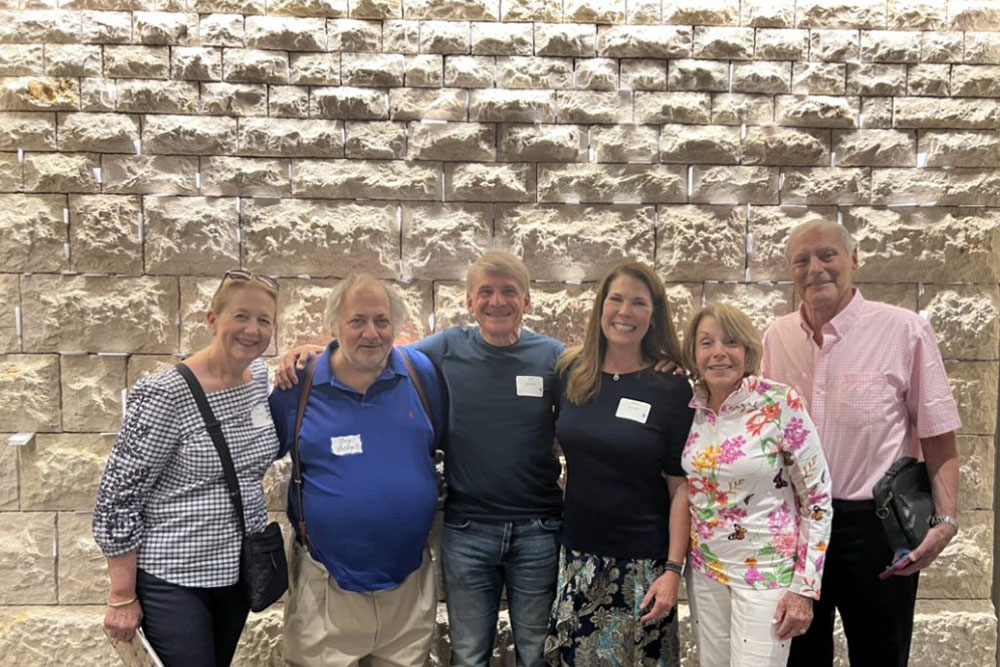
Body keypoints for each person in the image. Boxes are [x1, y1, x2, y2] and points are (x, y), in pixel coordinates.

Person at [278, 252, 565, 667]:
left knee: (536, 650)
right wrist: (314, 352)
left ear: (528, 301)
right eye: (485, 291)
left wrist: (661, 361)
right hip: (465, 530)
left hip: (535, 528)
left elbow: (602, 374)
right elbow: (370, 351)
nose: (497, 302)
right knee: (468, 654)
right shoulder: (443, 350)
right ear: (469, 302)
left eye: (509, 292)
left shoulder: (552, 357)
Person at [762, 220, 961, 667]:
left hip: (876, 527)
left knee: (881, 656)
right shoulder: (777, 337)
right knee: (796, 657)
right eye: (801, 260)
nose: (815, 268)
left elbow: (938, 430)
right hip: (795, 528)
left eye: (827, 255)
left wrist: (945, 520)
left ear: (854, 259)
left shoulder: (904, 331)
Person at [93, 270, 281, 666]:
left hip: (236, 573)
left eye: (264, 320)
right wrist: (122, 595)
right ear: (213, 320)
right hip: (175, 579)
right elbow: (116, 499)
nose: (253, 329)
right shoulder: (165, 394)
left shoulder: (261, 380)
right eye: (241, 316)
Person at [267, 274, 445, 667]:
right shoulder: (299, 384)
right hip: (326, 589)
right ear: (334, 325)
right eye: (357, 321)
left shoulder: (422, 374)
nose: (371, 333)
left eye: (381, 321)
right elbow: (253, 457)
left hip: (409, 590)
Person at [545, 261, 693, 666]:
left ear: (654, 315)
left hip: (641, 567)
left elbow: (681, 487)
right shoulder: (572, 373)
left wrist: (673, 570)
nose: (624, 312)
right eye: (617, 299)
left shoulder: (672, 387)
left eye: (638, 303)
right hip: (577, 560)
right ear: (601, 306)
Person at [681, 302, 832, 667]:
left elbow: (817, 497)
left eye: (730, 341)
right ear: (693, 353)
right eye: (706, 343)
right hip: (705, 570)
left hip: (765, 574)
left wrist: (804, 588)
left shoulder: (779, 402)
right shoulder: (690, 407)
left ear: (747, 349)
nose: (718, 352)